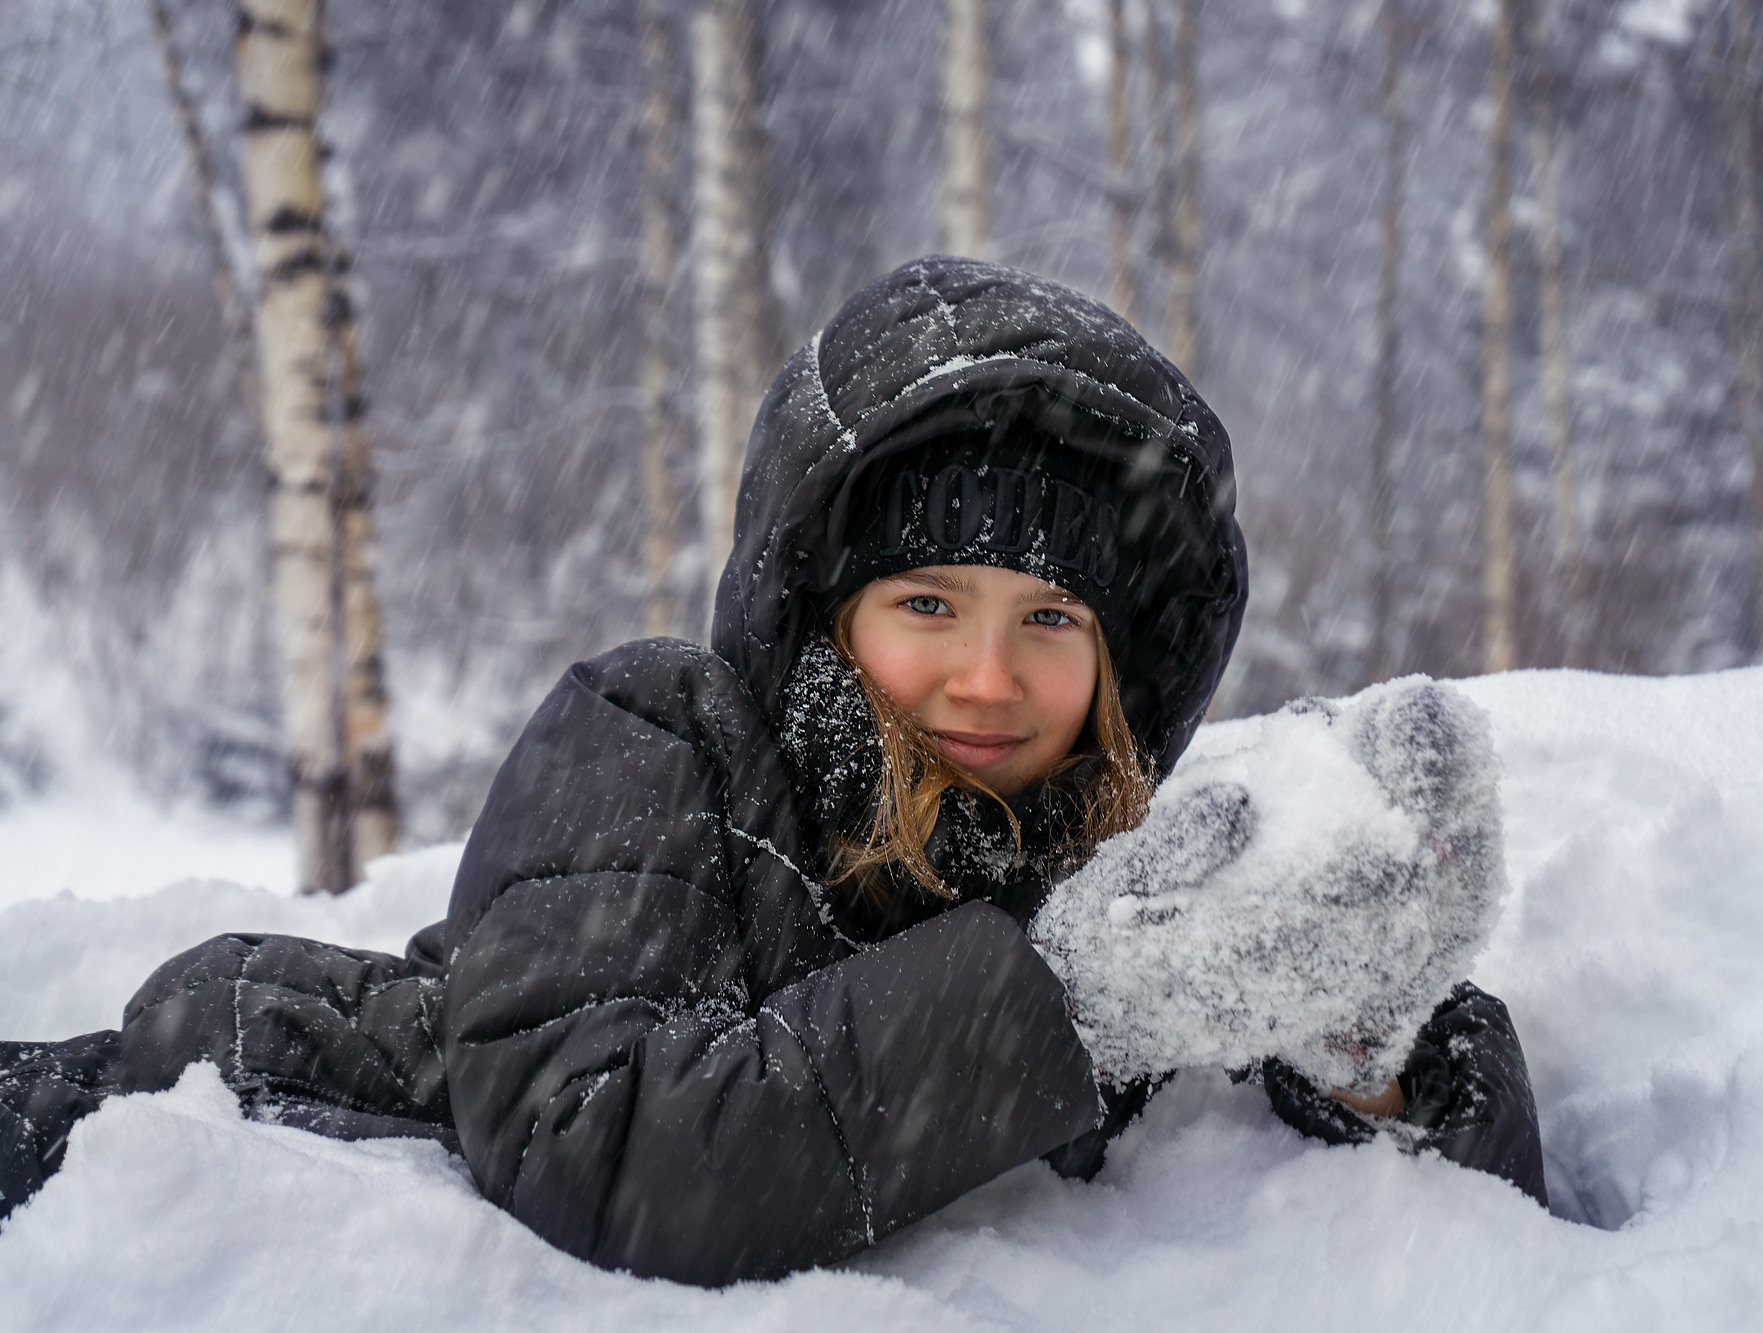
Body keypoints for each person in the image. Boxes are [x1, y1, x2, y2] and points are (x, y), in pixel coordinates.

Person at [0, 257, 1544, 1283]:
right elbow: (602, 1146)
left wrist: (1376, 1030)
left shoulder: (1124, 878)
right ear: (828, 605)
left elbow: (1453, 1221)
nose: (988, 675)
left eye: (1052, 618)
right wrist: (1066, 999)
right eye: (927, 603)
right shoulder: (657, 735)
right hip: (207, 1131)